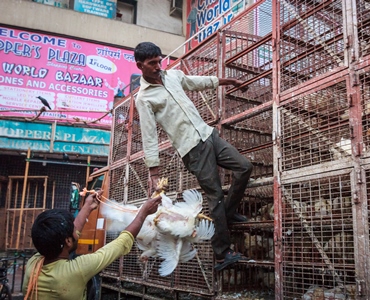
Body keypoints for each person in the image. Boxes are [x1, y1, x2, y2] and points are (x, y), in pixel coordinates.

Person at [133, 42, 253, 271]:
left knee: (244, 167)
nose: (158, 66)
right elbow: (149, 136)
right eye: (152, 63)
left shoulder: (173, 76)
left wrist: (229, 82)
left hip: (209, 136)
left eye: (159, 61)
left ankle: (227, 214)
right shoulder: (144, 99)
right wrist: (153, 172)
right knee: (215, 195)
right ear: (140, 65)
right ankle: (221, 253)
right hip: (192, 150)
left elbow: (198, 82)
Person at [22, 190, 162, 300]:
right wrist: (143, 212)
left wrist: (87, 207)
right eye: (73, 232)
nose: (77, 232)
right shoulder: (76, 271)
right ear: (68, 241)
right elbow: (120, 243)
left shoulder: (33, 263)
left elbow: (72, 232)